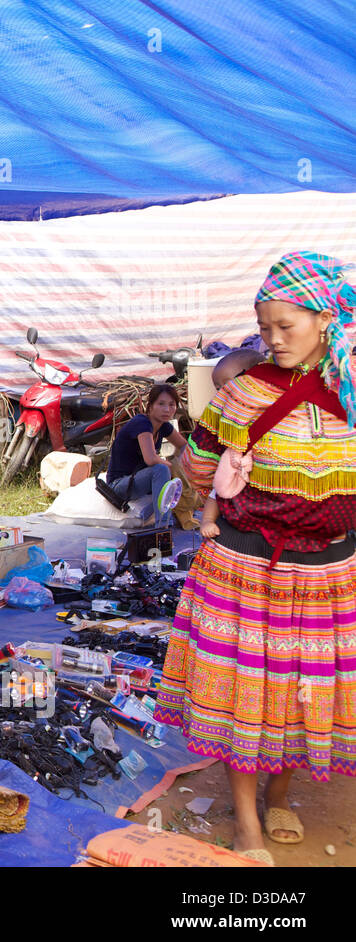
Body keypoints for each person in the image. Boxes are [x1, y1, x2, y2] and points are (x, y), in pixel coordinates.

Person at [155, 251, 356, 865]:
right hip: (246, 567)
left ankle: (279, 792)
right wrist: (200, 481)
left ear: (325, 319)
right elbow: (198, 465)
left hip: (329, 573)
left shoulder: (350, 389)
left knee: (302, 692)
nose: (271, 339)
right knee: (247, 691)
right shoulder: (243, 391)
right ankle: (245, 816)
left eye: (284, 327)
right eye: (264, 327)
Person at [199, 349, 266, 540]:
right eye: (218, 389)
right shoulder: (226, 414)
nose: (222, 393)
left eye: (226, 386)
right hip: (236, 473)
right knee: (219, 489)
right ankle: (207, 520)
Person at [104, 383, 187, 525]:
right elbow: (150, 459)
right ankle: (162, 525)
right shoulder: (142, 423)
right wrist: (173, 468)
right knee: (161, 469)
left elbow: (185, 446)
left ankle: (179, 513)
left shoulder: (163, 425)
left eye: (171, 405)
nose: (167, 409)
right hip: (120, 484)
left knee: (181, 471)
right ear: (151, 406)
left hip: (138, 480)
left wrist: (186, 466)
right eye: (161, 404)